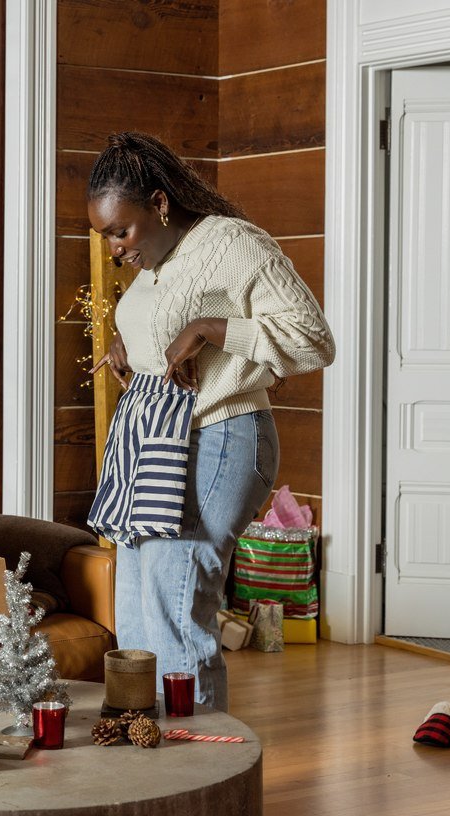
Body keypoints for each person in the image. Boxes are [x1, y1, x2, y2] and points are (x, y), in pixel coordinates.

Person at [84, 132, 335, 712]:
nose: (115, 249)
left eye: (120, 231)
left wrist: (212, 328)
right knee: (135, 622)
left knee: (174, 611)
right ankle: (144, 764)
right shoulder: (156, 257)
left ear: (160, 203)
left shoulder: (235, 245)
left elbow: (314, 340)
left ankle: (200, 771)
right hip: (155, 444)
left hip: (221, 434)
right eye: (106, 237)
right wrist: (129, 344)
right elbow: (163, 327)